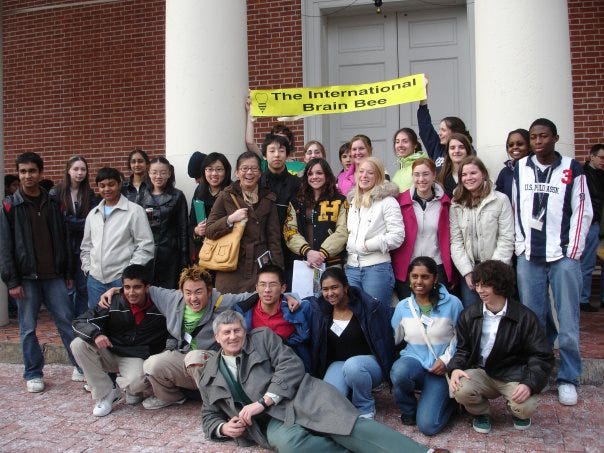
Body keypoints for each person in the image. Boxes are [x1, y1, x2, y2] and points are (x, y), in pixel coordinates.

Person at [192, 309, 439, 453]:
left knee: (345, 425)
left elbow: (291, 365)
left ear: (244, 330)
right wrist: (223, 428)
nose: (233, 336)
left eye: (237, 330)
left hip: (300, 396)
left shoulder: (262, 338)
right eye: (227, 332)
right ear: (217, 337)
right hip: (269, 422)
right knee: (291, 445)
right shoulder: (209, 373)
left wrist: (263, 400)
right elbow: (209, 415)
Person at [99, 264, 258, 410]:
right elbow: (141, 288)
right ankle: (172, 397)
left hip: (211, 360)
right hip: (184, 356)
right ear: (181, 291)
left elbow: (255, 295)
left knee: (194, 357)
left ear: (209, 291)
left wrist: (283, 295)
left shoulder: (222, 302)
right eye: (188, 292)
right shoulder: (173, 299)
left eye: (198, 292)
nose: (193, 298)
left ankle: (215, 404)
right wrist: (115, 291)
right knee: (152, 364)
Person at [513, 118, 592, 406]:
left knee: (567, 317)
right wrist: (520, 245)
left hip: (562, 255)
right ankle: (539, 373)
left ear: (555, 138)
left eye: (543, 136)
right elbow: (514, 207)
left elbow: (582, 209)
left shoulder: (572, 168)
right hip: (530, 256)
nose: (537, 142)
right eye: (533, 137)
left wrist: (573, 250)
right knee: (534, 319)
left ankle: (569, 377)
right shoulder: (519, 168)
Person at [0, 152, 81, 392]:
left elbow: (64, 239)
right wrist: (11, 280)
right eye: (23, 171)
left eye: (32, 171)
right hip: (26, 279)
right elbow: (4, 247)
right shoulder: (9, 206)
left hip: (54, 276)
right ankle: (33, 373)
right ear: (19, 173)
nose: (27, 176)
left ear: (40, 173)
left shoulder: (54, 203)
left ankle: (80, 365)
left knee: (67, 322)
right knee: (27, 328)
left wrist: (67, 272)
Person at [448, 260, 553, 434]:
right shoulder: (469, 314)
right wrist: (455, 368)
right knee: (460, 388)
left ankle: (517, 412)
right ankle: (481, 413)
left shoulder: (524, 317)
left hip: (513, 374)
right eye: (478, 284)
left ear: (501, 285)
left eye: (486, 285)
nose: (480, 290)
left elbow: (541, 355)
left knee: (526, 406)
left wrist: (529, 383)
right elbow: (463, 349)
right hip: (481, 372)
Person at [71, 264, 167, 417]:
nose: (131, 292)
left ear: (147, 287)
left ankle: (130, 388)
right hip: (110, 350)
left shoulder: (161, 305)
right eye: (127, 287)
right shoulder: (112, 301)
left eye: (137, 287)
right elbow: (79, 322)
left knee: (137, 384)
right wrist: (96, 334)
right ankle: (106, 393)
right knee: (78, 344)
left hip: (136, 356)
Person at [390, 256, 463, 435]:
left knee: (428, 427)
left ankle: (451, 404)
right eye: (414, 276)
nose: (419, 281)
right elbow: (393, 338)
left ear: (435, 278)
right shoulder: (403, 307)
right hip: (413, 362)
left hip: (441, 369)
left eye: (425, 277)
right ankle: (409, 410)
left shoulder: (453, 304)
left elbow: (461, 338)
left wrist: (446, 360)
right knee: (399, 372)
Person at [309, 267, 394, 419]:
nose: (330, 293)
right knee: (330, 403)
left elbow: (385, 338)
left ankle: (365, 405)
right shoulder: (322, 309)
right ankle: (350, 393)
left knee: (353, 366)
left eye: (334, 287)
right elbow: (305, 302)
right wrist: (291, 298)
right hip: (339, 364)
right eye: (325, 289)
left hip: (368, 365)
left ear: (346, 287)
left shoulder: (368, 307)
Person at [205, 151, 284, 293]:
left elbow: (274, 238)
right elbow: (209, 230)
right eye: (244, 168)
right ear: (237, 172)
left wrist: (278, 271)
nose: (249, 172)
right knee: (229, 309)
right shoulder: (226, 196)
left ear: (260, 173)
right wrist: (230, 219)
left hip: (259, 266)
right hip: (231, 264)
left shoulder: (268, 198)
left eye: (254, 169)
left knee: (257, 308)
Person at [80, 167, 154, 307]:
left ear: (119, 184)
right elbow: (86, 246)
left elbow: (145, 246)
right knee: (98, 321)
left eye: (111, 184)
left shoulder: (134, 211)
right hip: (95, 281)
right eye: (102, 186)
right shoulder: (93, 214)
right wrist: (89, 269)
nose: (106, 189)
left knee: (124, 320)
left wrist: (129, 274)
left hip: (122, 280)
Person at [449, 156, 514, 307]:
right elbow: (456, 241)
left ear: (483, 174)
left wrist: (491, 272)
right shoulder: (456, 204)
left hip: (497, 270)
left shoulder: (500, 200)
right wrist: (467, 272)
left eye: (473, 173)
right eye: (464, 175)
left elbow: (506, 238)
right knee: (474, 316)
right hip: (471, 271)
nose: (468, 178)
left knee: (498, 315)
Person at [345, 156, 404, 307]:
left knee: (376, 316)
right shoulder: (353, 201)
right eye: (361, 171)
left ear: (378, 176)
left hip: (376, 269)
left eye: (370, 173)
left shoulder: (388, 201)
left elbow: (397, 236)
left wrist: (367, 245)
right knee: (355, 317)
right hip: (352, 268)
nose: (364, 176)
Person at [392, 158, 453, 299]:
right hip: (408, 268)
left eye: (426, 174)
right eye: (416, 174)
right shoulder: (401, 202)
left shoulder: (445, 203)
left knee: (437, 312)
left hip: (436, 266)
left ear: (434, 175)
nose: (421, 179)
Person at [234, 264, 312, 371]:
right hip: (256, 366)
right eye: (262, 284)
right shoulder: (244, 312)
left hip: (289, 364)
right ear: (256, 288)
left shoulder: (295, 310)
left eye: (273, 284)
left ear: (283, 288)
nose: (267, 290)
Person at [49, 156, 100, 316]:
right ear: (68, 170)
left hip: (84, 248)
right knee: (67, 291)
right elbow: (56, 221)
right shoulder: (55, 193)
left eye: (83, 169)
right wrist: (78, 223)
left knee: (83, 289)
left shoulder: (90, 194)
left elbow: (92, 221)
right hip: (63, 248)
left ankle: (80, 324)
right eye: (76, 169)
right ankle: (67, 324)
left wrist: (71, 222)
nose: (79, 173)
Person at [284, 158, 348, 268]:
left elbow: (343, 231)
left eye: (319, 173)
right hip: (304, 262)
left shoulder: (340, 200)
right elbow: (289, 231)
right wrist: (308, 252)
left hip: (332, 263)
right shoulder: (296, 202)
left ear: (327, 175)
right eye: (310, 174)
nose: (314, 177)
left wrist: (321, 254)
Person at [138, 157, 189, 289]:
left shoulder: (177, 196)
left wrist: (185, 258)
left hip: (170, 254)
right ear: (149, 173)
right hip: (146, 253)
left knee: (169, 292)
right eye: (154, 172)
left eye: (162, 172)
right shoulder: (142, 196)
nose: (158, 176)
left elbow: (183, 227)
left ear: (169, 173)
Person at [417, 76, 474, 171]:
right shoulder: (437, 147)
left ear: (455, 133)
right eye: (440, 130)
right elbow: (425, 127)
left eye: (443, 130)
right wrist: (423, 95)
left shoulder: (467, 150)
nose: (439, 133)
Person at [190, 152, 232, 261]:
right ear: (204, 171)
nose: (214, 173)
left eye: (219, 169)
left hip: (226, 250)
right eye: (209, 169)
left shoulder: (232, 191)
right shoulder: (199, 191)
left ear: (226, 171)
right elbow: (191, 222)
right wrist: (196, 230)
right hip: (204, 251)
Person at [579, 143, 604, 312]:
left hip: (599, 225)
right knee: (586, 264)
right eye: (601, 157)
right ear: (592, 156)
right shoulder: (583, 174)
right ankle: (582, 299)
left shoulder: (601, 175)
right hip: (590, 225)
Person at [494, 129, 530, 202]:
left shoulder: (535, 170)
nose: (515, 147)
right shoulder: (504, 172)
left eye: (520, 144)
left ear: (529, 146)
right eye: (511, 145)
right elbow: (499, 198)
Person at [391, 128, 428, 193]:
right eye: (397, 142)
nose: (400, 145)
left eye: (405, 141)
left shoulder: (423, 165)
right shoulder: (399, 172)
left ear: (415, 145)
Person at [436, 133, 472, 198]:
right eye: (452, 148)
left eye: (461, 147)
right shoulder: (437, 173)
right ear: (448, 152)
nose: (457, 151)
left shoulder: (476, 173)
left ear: (467, 150)